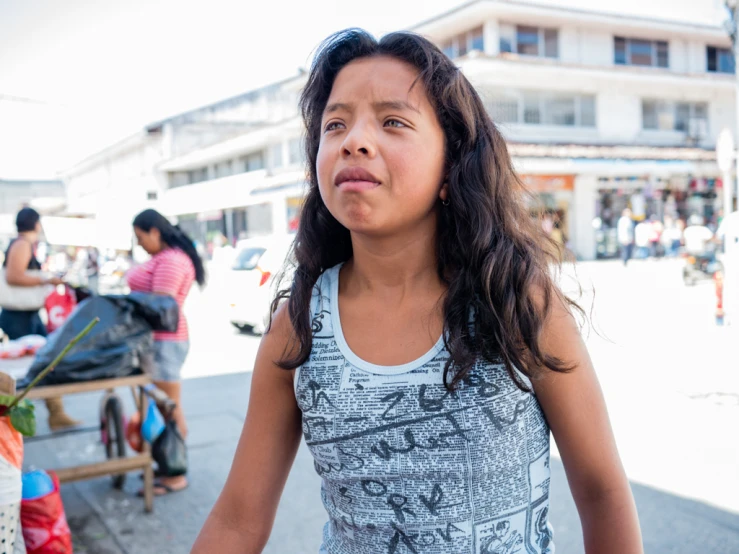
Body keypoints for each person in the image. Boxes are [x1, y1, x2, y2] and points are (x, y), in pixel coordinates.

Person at [192, 30, 642, 553]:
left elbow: (602, 492)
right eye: (335, 123)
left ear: (452, 167)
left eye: (393, 122)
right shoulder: (297, 327)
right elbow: (238, 521)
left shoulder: (515, 301)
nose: (353, 140)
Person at [126, 209, 206, 496]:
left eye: (140, 237)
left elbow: (161, 306)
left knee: (170, 408)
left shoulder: (172, 260)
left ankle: (176, 474)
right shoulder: (166, 257)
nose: (139, 244)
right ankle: (166, 465)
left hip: (165, 342)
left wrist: (127, 303)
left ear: (155, 232)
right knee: (163, 408)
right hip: (157, 342)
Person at [0, 207, 80, 431]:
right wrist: (45, 279)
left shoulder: (22, 244)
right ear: (35, 223)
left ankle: (56, 413)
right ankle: (17, 424)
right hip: (19, 316)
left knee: (44, 363)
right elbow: (14, 276)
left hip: (25, 315)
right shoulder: (22, 244)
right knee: (36, 365)